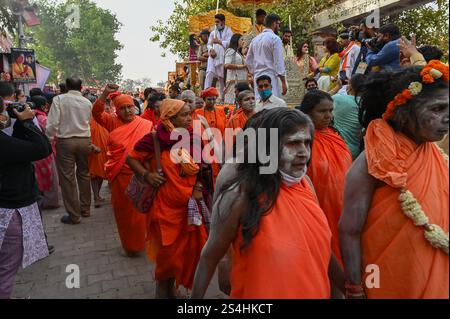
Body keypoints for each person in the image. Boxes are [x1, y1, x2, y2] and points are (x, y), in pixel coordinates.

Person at [191, 108, 344, 299]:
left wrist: (350, 289)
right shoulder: (239, 196)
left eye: (307, 142)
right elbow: (209, 257)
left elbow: (322, 250)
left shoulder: (306, 185)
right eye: (293, 143)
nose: (303, 152)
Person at [339, 61, 449, 299]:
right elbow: (349, 230)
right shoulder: (372, 161)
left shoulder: (434, 152)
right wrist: (355, 289)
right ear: (403, 111)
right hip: (386, 277)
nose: (447, 118)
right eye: (438, 109)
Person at [127, 99, 209, 298]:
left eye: (190, 114)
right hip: (164, 210)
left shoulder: (194, 138)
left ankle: (172, 287)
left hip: (189, 207)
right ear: (168, 118)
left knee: (187, 253)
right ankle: (162, 290)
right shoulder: (155, 139)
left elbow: (203, 169)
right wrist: (147, 175)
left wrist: (198, 187)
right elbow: (131, 158)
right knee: (168, 258)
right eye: (184, 115)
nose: (190, 118)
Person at [92, 84, 152, 257]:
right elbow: (96, 113)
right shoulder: (112, 122)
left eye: (129, 107)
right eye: (122, 108)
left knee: (141, 212)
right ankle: (130, 246)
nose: (127, 111)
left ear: (135, 107)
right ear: (117, 111)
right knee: (124, 213)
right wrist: (104, 93)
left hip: (142, 174)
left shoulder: (146, 124)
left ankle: (143, 242)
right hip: (121, 176)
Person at [0, 98, 51, 299]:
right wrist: (28, 122)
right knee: (6, 268)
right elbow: (41, 148)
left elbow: (19, 149)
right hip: (8, 210)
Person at [297, 90, 352, 265]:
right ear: (307, 113)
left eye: (330, 110)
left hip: (343, 207)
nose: (328, 116)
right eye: (322, 111)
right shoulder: (302, 141)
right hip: (318, 207)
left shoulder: (335, 136)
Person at [46, 77, 93, 225]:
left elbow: (53, 123)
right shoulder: (87, 102)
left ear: (66, 86)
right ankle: (85, 209)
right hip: (84, 140)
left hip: (66, 141)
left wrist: (49, 138)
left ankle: (74, 215)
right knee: (84, 174)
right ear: (81, 87)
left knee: (68, 178)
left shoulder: (60, 99)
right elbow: (89, 121)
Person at [246, 13, 287, 99]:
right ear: (274, 23)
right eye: (278, 24)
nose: (279, 28)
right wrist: (283, 82)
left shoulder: (255, 39)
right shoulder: (275, 39)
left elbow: (248, 61)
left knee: (259, 103)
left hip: (258, 78)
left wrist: (254, 72)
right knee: (272, 104)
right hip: (270, 77)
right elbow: (278, 63)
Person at [31, 95, 60, 209]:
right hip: (45, 151)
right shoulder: (42, 118)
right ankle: (50, 201)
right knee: (50, 176)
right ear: (44, 106)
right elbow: (52, 132)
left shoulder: (35, 116)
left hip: (38, 151)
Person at [331, 74, 365, 160]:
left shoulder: (338, 99)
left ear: (350, 87)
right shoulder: (366, 105)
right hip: (354, 152)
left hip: (336, 148)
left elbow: (319, 98)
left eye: (348, 83)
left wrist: (338, 87)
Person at [205, 13, 233, 100]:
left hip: (223, 57)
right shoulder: (213, 32)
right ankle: (205, 94)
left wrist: (219, 41)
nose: (216, 24)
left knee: (221, 78)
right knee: (209, 73)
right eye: (215, 22)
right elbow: (209, 44)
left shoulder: (229, 31)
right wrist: (210, 50)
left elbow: (229, 43)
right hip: (213, 57)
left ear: (223, 21)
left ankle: (222, 98)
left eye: (218, 22)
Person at [224, 34, 248, 105]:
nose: (243, 42)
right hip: (233, 82)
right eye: (241, 39)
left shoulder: (239, 53)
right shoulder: (231, 51)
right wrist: (242, 67)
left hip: (241, 82)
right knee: (232, 103)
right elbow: (226, 65)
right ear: (236, 40)